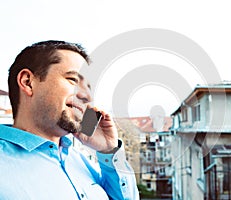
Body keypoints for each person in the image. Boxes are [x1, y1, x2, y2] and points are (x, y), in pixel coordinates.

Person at [0, 40, 139, 200]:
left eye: (89, 87)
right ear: (28, 82)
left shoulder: (82, 161)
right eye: (73, 80)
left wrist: (107, 151)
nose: (87, 96)